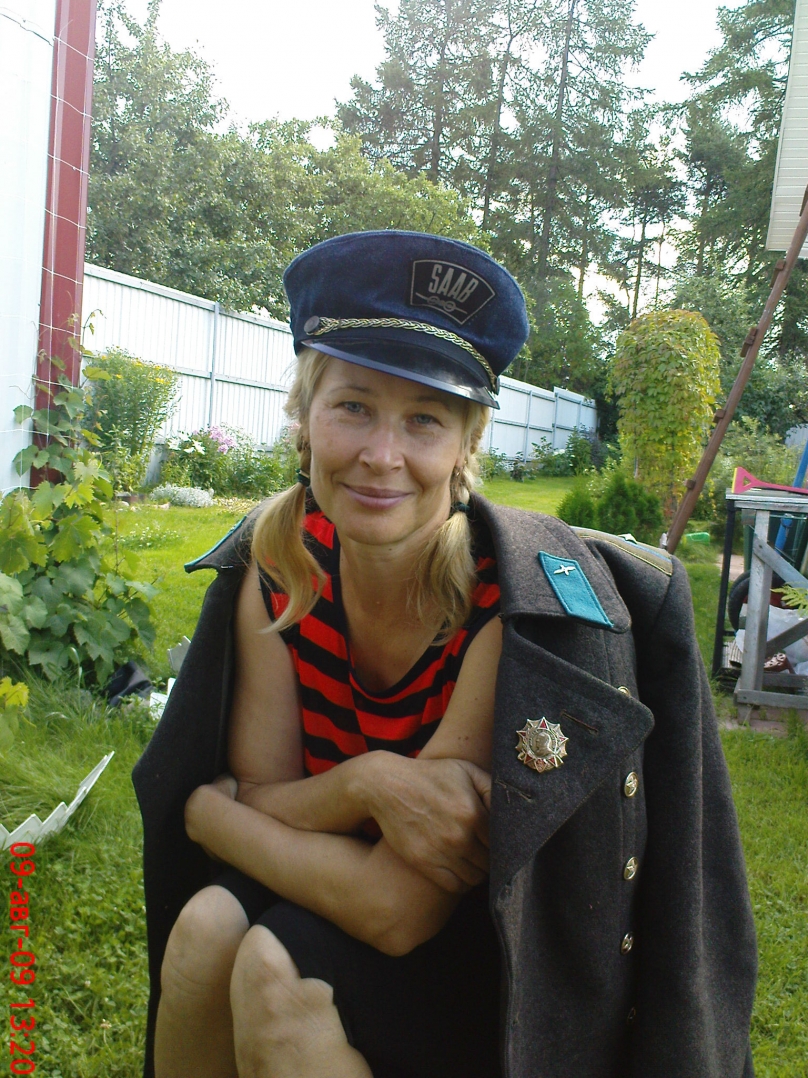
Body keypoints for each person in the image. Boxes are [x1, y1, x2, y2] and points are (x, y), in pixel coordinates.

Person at [134, 231, 757, 1078]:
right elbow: (262, 791)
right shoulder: (281, 567)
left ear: (467, 446)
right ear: (305, 419)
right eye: (352, 406)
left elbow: (396, 909)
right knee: (205, 929)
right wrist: (367, 786)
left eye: (424, 420)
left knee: (275, 976)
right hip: (328, 885)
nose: (381, 455)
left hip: (490, 957)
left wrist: (213, 818)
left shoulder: (503, 607)